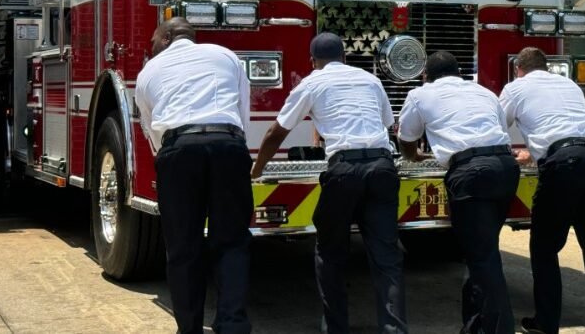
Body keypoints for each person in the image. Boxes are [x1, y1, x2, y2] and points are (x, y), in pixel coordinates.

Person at [251, 32, 407, 334]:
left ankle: (336, 328)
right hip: (382, 166)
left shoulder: (312, 82)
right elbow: (390, 125)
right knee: (387, 258)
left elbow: (276, 132)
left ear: (313, 61)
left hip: (344, 170)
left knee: (331, 252)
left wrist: (257, 168)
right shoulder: (370, 80)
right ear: (345, 57)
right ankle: (395, 330)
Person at [499, 47, 585, 334]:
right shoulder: (568, 84)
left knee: (544, 246)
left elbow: (498, 129)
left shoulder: (515, 87)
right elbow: (567, 127)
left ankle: (546, 323)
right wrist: (534, 153)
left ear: (518, 69)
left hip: (563, 165)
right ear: (545, 67)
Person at [135, 17, 252, 334]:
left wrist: (174, 157)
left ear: (167, 36)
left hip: (178, 150)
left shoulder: (148, 74)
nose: (152, 47)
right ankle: (233, 326)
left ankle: (189, 329)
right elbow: (243, 111)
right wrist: (234, 145)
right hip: (228, 143)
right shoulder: (226, 55)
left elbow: (153, 134)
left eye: (154, 40)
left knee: (183, 248)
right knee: (231, 242)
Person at [398, 50, 518, 334]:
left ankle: (498, 329)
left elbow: (406, 136)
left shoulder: (420, 94)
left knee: (482, 258)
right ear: (459, 71)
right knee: (484, 251)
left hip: (470, 173)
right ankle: (476, 325)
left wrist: (412, 156)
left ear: (426, 75)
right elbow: (499, 129)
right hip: (505, 167)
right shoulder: (485, 93)